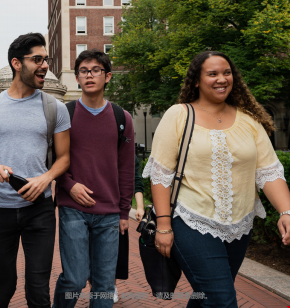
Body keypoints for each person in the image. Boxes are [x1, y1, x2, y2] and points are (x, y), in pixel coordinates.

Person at [143, 51, 290, 307]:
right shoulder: (179, 115)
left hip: (239, 227)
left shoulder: (250, 121)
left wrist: (286, 211)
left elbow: (269, 172)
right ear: (197, 81)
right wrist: (164, 226)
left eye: (226, 72)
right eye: (212, 74)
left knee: (207, 296)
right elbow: (160, 176)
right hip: (190, 221)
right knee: (221, 299)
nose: (221, 79)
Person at [0, 33, 70, 308]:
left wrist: (46, 178)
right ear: (16, 63)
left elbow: (64, 158)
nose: (45, 65)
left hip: (40, 210)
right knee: (3, 287)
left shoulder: (55, 108)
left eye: (46, 59)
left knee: (38, 290)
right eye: (37, 59)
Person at [53, 49, 135, 308]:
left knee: (104, 284)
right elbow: (52, 159)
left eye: (96, 70)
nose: (89, 75)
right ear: (77, 78)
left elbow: (126, 167)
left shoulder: (122, 118)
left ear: (107, 76)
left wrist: (124, 212)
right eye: (84, 71)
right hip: (72, 209)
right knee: (75, 279)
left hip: (109, 213)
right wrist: (69, 185)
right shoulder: (65, 114)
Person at [113, 155, 145, 303]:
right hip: (97, 204)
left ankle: (111, 286)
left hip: (119, 210)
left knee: (116, 251)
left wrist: (139, 207)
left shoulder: (128, 151)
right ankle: (97, 286)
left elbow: (136, 181)